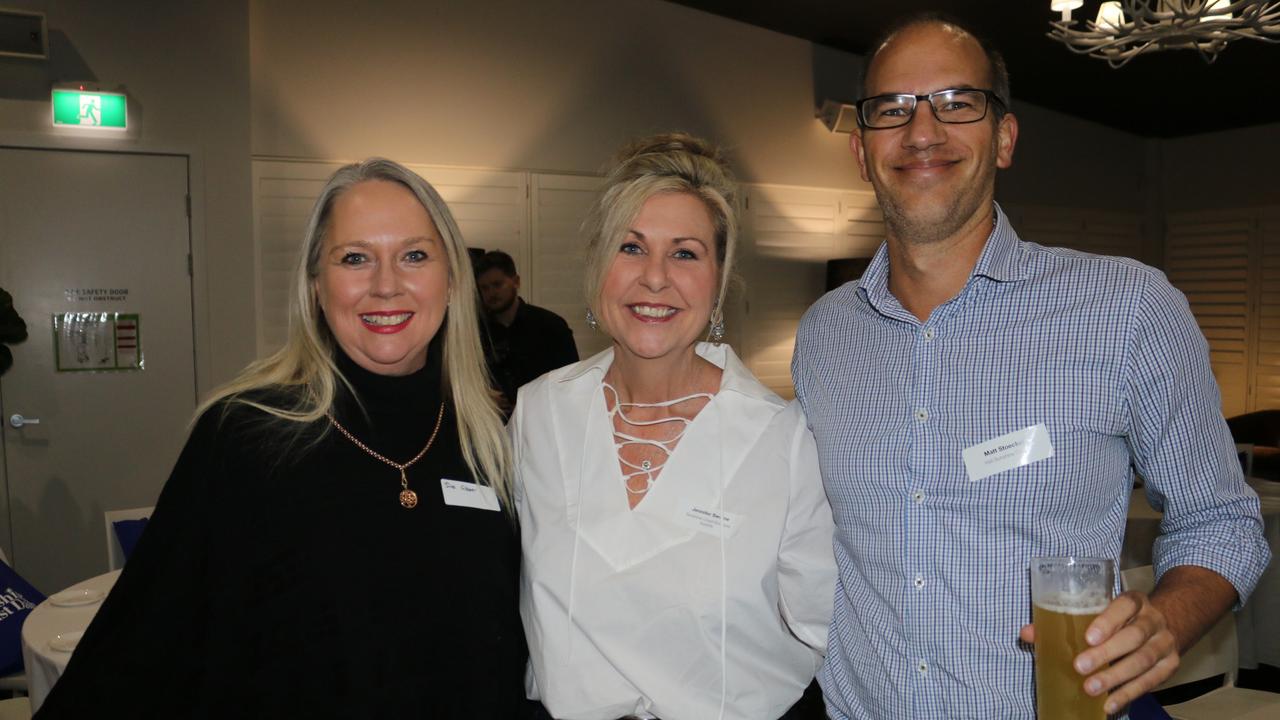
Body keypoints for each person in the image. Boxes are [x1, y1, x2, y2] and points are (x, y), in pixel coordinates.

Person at [791, 14, 1272, 719]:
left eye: (958, 102)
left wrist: (1164, 621)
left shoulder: (1127, 308)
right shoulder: (823, 336)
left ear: (1005, 139)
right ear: (863, 153)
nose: (922, 130)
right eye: (891, 109)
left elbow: (1221, 521)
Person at [37, 159, 528, 718]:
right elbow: (143, 639)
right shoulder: (246, 434)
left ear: (452, 279)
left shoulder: (485, 440)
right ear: (316, 285)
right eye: (355, 258)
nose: (386, 284)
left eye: (414, 255)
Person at [515, 133, 836, 720]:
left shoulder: (784, 439)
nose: (655, 278)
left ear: (718, 280)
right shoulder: (539, 413)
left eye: (685, 253)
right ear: (598, 267)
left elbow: (826, 626)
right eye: (631, 248)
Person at [475, 250, 578, 410]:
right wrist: (481, 396)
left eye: (497, 284)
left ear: (516, 282)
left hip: (543, 420)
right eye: (484, 288)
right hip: (493, 425)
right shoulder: (476, 332)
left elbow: (571, 381)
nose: (491, 293)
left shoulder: (551, 326)